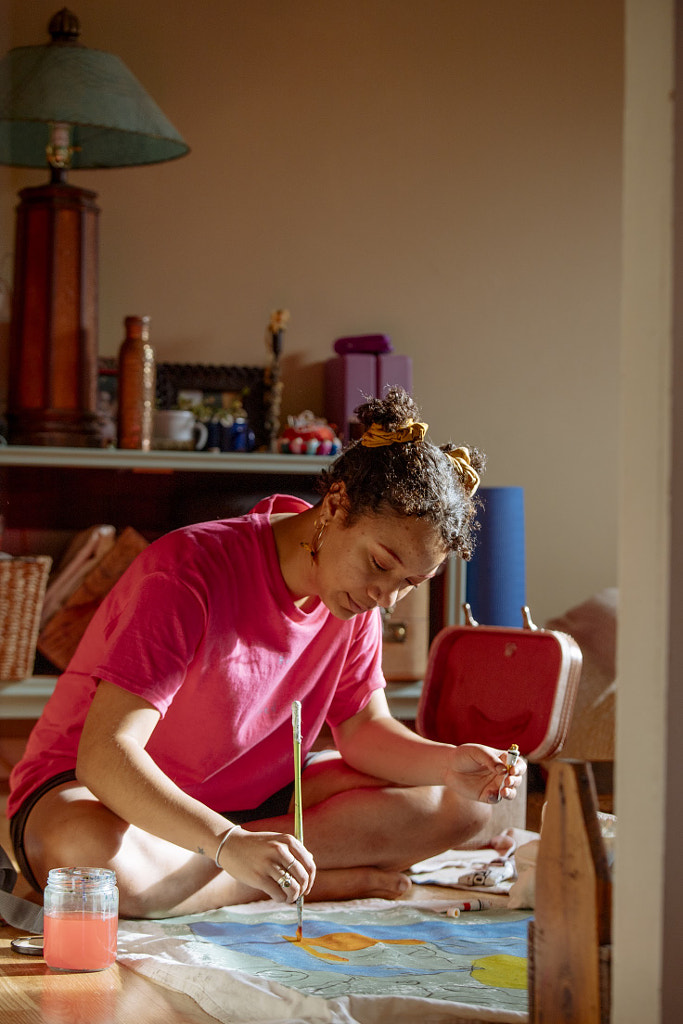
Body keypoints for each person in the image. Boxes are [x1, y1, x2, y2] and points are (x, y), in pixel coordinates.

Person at [8, 387, 525, 919]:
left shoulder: (355, 602)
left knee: (460, 809)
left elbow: (365, 732)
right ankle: (270, 881)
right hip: (104, 793)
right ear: (338, 503)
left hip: (258, 800)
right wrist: (227, 843)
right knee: (87, 855)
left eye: (410, 583)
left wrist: (450, 763)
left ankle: (235, 873)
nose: (385, 597)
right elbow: (106, 755)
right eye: (379, 563)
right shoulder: (188, 570)